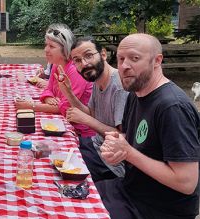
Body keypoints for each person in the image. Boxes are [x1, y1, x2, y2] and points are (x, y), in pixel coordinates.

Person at [97, 33, 200, 219]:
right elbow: (134, 140)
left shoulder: (172, 107)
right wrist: (117, 147)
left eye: (134, 58)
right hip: (130, 190)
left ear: (157, 61)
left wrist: (128, 152)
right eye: (121, 59)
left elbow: (187, 182)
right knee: (71, 193)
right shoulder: (135, 94)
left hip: (159, 209)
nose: (124, 66)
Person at [57, 36, 129, 182]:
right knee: (55, 151)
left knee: (62, 177)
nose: (84, 64)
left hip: (111, 164)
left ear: (103, 54)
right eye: (77, 60)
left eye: (89, 56)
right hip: (95, 144)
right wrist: (68, 93)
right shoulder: (98, 80)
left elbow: (121, 136)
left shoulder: (119, 87)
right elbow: (91, 113)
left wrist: (85, 120)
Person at [15, 23, 95, 138]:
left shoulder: (76, 70)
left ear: (65, 49)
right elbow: (48, 89)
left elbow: (65, 107)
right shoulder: (57, 65)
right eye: (46, 45)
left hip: (81, 133)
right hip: (62, 124)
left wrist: (30, 106)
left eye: (51, 46)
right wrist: (49, 97)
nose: (46, 50)